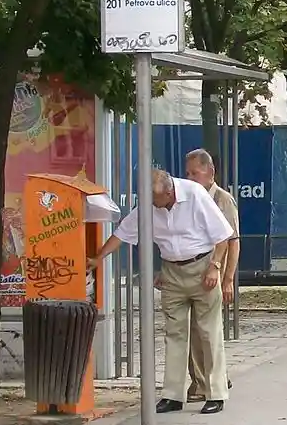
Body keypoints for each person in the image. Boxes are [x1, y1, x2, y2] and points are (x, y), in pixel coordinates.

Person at [88, 169, 234, 414]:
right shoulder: (150, 203)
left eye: (156, 201)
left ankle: (216, 393)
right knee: (174, 334)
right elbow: (123, 233)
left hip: (202, 267)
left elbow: (223, 236)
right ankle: (173, 395)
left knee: (209, 332)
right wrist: (98, 257)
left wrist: (215, 267)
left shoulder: (195, 194)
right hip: (172, 272)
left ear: (170, 193)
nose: (152, 206)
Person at [183, 149, 239, 404]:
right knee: (195, 330)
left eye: (195, 173)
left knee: (207, 330)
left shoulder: (222, 200)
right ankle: (205, 380)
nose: (190, 178)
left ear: (210, 172)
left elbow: (233, 241)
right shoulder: (190, 198)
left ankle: (209, 382)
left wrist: (228, 279)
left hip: (214, 272)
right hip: (194, 272)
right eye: (187, 173)